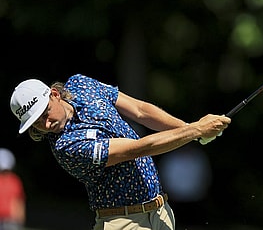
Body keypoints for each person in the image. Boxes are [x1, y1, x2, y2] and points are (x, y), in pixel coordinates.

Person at [9, 73, 231, 230]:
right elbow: (139, 148)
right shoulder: (66, 147)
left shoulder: (81, 85)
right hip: (123, 223)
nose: (46, 124)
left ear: (55, 95)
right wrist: (195, 130)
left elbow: (139, 110)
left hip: (161, 212)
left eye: (46, 113)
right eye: (37, 123)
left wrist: (190, 129)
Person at [0, 148, 26, 230]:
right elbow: (18, 202)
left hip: (10, 220)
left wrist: (19, 219)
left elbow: (18, 202)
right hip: (11, 220)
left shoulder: (14, 181)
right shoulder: (15, 180)